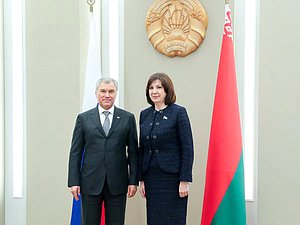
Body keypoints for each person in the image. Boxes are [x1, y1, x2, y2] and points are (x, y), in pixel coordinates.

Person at [68, 77, 138, 225]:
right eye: (103, 91)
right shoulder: (84, 118)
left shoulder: (127, 118)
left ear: (116, 93)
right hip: (90, 183)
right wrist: (73, 181)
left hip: (118, 183)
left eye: (111, 91)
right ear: (96, 93)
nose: (107, 95)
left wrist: (133, 181)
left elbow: (133, 153)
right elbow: (75, 152)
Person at [138, 72, 194, 225]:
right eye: (151, 88)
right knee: (154, 219)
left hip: (173, 179)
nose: (154, 91)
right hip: (151, 177)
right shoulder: (144, 114)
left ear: (167, 90)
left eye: (159, 87)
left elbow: (187, 148)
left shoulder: (178, 112)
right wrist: (141, 179)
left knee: (173, 219)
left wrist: (184, 180)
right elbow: (141, 148)